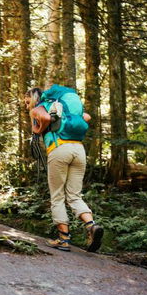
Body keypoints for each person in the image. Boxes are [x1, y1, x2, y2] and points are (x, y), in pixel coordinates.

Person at [25, 86, 103, 252]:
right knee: (74, 195)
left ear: (33, 98)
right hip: (78, 150)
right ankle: (91, 225)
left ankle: (63, 240)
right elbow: (86, 117)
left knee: (57, 196)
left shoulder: (39, 107)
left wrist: (37, 129)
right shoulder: (62, 106)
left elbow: (44, 117)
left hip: (59, 149)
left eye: (27, 102)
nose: (26, 106)